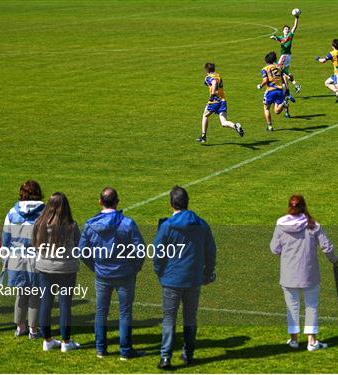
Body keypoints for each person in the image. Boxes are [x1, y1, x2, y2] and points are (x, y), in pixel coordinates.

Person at [78, 187, 146, 360]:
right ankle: (125, 350)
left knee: (101, 312)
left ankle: (101, 349)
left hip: (103, 274)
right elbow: (140, 250)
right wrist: (134, 268)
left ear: (100, 201)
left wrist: (96, 266)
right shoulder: (127, 223)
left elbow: (82, 251)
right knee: (125, 313)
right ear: (117, 201)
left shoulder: (90, 224)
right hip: (124, 274)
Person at [153, 186, 216, 369]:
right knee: (190, 317)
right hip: (193, 278)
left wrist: (160, 271)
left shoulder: (167, 226)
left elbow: (158, 253)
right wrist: (207, 272)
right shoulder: (201, 224)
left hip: (172, 278)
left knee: (169, 317)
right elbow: (210, 251)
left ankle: (165, 357)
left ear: (172, 203)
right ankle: (188, 354)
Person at [270, 193, 338, 351]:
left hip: (288, 274)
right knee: (311, 306)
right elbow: (327, 247)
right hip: (309, 274)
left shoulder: (281, 225)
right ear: (304, 206)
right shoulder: (313, 225)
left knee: (292, 307)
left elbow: (274, 249)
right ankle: (312, 341)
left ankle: (294, 340)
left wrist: (287, 251)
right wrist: (334, 260)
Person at [33, 192, 81, 352]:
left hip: (44, 268)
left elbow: (34, 244)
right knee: (65, 304)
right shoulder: (71, 226)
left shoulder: (39, 223)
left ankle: (47, 340)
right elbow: (79, 246)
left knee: (45, 302)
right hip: (66, 269)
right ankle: (66, 342)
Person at [1, 180, 45, 339]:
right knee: (35, 294)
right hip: (37, 257)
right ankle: (33, 329)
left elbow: (6, 237)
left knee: (21, 293)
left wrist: (4, 258)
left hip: (17, 258)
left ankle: (20, 327)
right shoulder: (44, 212)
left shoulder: (13, 212)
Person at [197, 62, 244, 143]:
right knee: (224, 122)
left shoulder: (208, 77)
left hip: (214, 101)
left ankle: (203, 136)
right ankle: (235, 126)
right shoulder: (218, 75)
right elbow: (215, 82)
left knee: (205, 116)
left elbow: (214, 82)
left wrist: (212, 94)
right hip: (223, 101)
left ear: (206, 70)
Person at [269, 13, 302, 100]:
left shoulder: (289, 36)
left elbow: (295, 27)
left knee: (278, 70)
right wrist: (273, 37)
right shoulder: (281, 37)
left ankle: (287, 92)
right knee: (286, 73)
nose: (287, 30)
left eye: (287, 29)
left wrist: (296, 18)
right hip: (287, 57)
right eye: (285, 29)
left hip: (285, 56)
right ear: (283, 31)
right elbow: (277, 38)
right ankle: (295, 85)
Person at [257, 51, 290, 130]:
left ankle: (270, 126)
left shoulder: (264, 69)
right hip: (280, 90)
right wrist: (287, 88)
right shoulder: (278, 68)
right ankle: (283, 104)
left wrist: (260, 85)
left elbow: (265, 80)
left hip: (271, 90)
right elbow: (284, 77)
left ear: (266, 61)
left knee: (266, 108)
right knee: (277, 111)